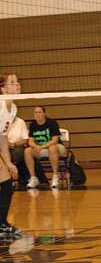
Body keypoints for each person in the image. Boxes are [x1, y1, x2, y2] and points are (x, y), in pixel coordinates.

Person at [0, 73, 22, 237]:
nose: (18, 85)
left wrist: (8, 162)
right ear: (3, 89)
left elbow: (2, 137)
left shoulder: (12, 108)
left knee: (7, 184)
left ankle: (2, 224)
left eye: (17, 82)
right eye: (13, 83)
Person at [24, 106, 66, 189]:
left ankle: (55, 176)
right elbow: (30, 141)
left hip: (57, 147)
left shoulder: (52, 123)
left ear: (44, 113)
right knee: (27, 151)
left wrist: (42, 147)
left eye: (39, 112)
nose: (37, 114)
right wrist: (35, 146)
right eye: (36, 112)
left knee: (52, 148)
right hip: (40, 149)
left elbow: (55, 140)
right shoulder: (33, 124)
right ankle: (33, 178)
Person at [8, 117, 29, 184]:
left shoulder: (21, 122)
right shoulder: (2, 122)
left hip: (18, 145)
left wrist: (13, 144)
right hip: (5, 146)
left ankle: (18, 176)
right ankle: (7, 179)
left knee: (18, 154)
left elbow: (25, 140)